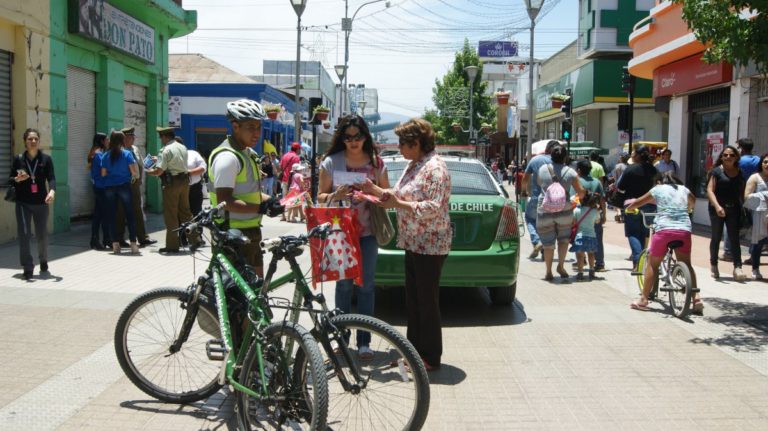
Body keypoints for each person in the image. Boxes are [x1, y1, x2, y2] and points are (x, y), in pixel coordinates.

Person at [362, 117, 449, 371]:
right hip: (414, 242)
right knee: (414, 301)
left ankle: (430, 357)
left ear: (417, 143)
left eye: (403, 143)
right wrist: (375, 190)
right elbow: (400, 195)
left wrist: (396, 204)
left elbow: (432, 207)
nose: (398, 147)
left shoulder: (434, 167)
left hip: (430, 244)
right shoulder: (415, 165)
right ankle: (414, 354)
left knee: (426, 303)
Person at [319, 113, 390, 361]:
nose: (353, 141)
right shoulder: (331, 163)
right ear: (341, 138)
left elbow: (387, 195)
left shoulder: (376, 163)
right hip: (340, 232)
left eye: (357, 136)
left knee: (366, 286)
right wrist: (335, 194)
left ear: (365, 136)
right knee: (343, 285)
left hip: (368, 232)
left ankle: (364, 341)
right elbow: (320, 197)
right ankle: (340, 339)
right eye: (347, 137)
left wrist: (372, 190)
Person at [208, 99, 283, 277]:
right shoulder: (228, 158)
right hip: (231, 234)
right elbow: (225, 201)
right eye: (250, 127)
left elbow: (250, 193)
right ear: (235, 126)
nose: (257, 133)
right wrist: (260, 208)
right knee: (235, 298)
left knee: (256, 293)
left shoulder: (249, 154)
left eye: (258, 127)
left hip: (251, 231)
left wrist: (271, 201)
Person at [627, 171, 701, 314]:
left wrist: (629, 208)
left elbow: (638, 202)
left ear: (660, 181)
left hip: (664, 230)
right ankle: (696, 298)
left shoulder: (658, 189)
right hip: (684, 230)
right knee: (687, 264)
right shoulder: (684, 189)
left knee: (653, 265)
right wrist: (687, 209)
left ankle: (643, 299)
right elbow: (693, 202)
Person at [10, 128, 56, 280]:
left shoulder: (46, 159)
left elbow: (52, 178)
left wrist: (52, 191)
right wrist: (17, 179)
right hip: (23, 203)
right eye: (30, 139)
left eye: (36, 138)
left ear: (39, 141)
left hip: (41, 203)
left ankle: (43, 259)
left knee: (42, 235)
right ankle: (27, 267)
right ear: (25, 141)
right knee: (24, 235)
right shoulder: (19, 159)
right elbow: (10, 179)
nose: (33, 141)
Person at [536, 143, 585, 281]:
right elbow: (581, 192)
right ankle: (561, 266)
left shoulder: (542, 169)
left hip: (545, 209)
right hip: (564, 210)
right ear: (565, 157)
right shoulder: (571, 172)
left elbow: (540, 184)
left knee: (547, 243)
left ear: (551, 156)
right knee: (563, 240)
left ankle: (548, 271)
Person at [146, 126, 193, 254]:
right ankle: (195, 240)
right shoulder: (182, 147)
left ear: (165, 136)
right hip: (184, 181)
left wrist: (148, 171)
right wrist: (159, 160)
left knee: (171, 215)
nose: (160, 139)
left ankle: (172, 246)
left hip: (172, 184)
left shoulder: (165, 150)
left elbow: (159, 171)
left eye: (161, 137)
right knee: (186, 212)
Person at [706, 145, 746, 280]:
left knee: (734, 238)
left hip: (733, 209)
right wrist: (717, 206)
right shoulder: (716, 172)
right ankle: (714, 264)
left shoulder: (739, 172)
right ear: (722, 157)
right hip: (717, 209)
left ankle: (738, 268)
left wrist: (745, 205)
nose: (728, 157)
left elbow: (742, 192)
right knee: (716, 237)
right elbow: (710, 190)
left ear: (736, 158)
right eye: (725, 155)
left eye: (731, 155)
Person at [617, 145, 658, 269]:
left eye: (633, 154)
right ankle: (643, 261)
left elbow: (621, 186)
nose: (632, 156)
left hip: (632, 204)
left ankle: (637, 262)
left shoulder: (630, 169)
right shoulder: (653, 170)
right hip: (650, 204)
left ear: (638, 155)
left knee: (633, 233)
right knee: (644, 232)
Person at [114, 127, 155, 248]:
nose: (133, 139)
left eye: (133, 137)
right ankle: (120, 238)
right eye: (131, 137)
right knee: (121, 212)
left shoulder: (135, 149)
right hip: (123, 184)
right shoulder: (119, 151)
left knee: (137, 211)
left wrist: (149, 163)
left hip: (135, 184)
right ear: (124, 138)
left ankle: (142, 238)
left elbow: (141, 165)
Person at [101, 130, 139, 254]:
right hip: (124, 186)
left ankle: (115, 244)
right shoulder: (127, 154)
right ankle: (133, 244)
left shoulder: (106, 155)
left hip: (109, 187)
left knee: (111, 216)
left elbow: (103, 173)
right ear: (122, 140)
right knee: (130, 214)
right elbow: (133, 172)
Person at [522, 140, 558, 260]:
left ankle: (537, 241)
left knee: (530, 219)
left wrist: (524, 191)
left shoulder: (535, 160)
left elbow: (525, 177)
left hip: (537, 196)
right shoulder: (558, 161)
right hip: (555, 199)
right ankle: (545, 251)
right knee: (548, 225)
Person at [572, 159, 607, 272]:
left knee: (580, 238)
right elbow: (602, 200)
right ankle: (599, 263)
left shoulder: (577, 182)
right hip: (594, 213)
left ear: (579, 170)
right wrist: (604, 214)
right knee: (597, 238)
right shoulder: (597, 182)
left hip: (580, 214)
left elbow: (573, 199)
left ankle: (581, 261)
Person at [744, 153, 768, 280]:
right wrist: (764, 195)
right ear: (761, 164)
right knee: (758, 243)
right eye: (765, 162)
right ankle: (755, 268)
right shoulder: (755, 178)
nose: (767, 164)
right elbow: (746, 196)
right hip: (760, 214)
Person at [570, 192, 600, 280]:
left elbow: (573, 223)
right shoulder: (594, 211)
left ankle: (580, 273)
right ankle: (591, 271)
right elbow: (597, 221)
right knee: (591, 254)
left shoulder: (576, 210)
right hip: (592, 236)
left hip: (580, 236)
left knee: (580, 256)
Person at [87, 132, 110, 250]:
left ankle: (100, 239)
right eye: (107, 139)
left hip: (99, 186)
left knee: (99, 214)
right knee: (102, 214)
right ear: (102, 141)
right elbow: (104, 171)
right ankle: (98, 239)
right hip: (102, 187)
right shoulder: (99, 155)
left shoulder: (97, 153)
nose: (108, 141)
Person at [187, 146, 207, 217]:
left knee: (197, 213)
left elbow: (203, 167)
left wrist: (188, 173)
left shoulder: (192, 154)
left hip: (194, 188)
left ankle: (198, 228)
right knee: (181, 214)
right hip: (178, 189)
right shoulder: (169, 156)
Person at [611, 152, 629, 223]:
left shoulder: (617, 166)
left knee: (617, 199)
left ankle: (618, 212)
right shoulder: (627, 166)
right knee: (624, 199)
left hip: (617, 185)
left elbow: (614, 176)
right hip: (626, 186)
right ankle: (623, 213)